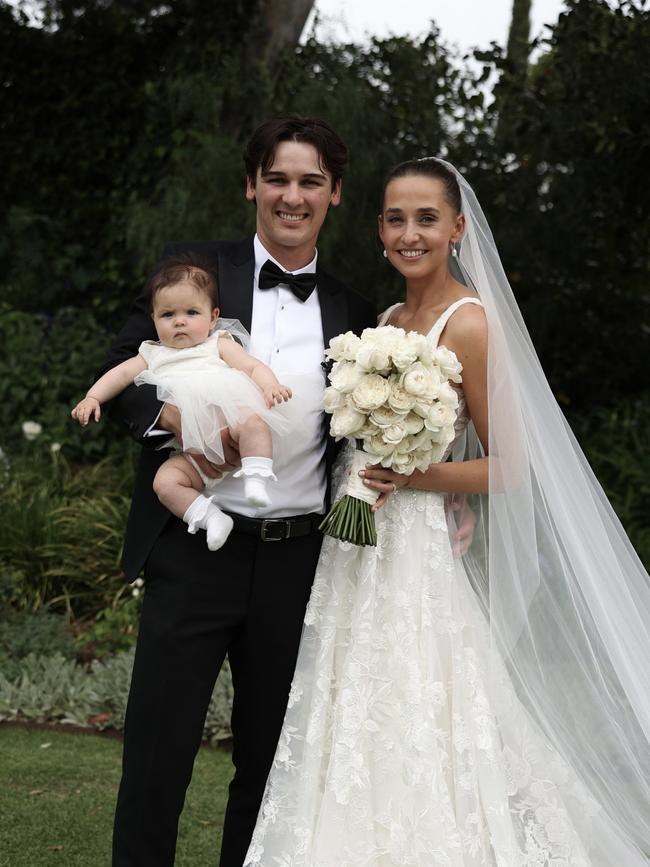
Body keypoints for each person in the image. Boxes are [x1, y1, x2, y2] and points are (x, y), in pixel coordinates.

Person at [244, 159, 650, 865]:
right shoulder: (387, 321)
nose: (410, 233)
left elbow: (511, 464)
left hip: (415, 551)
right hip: (356, 542)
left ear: (458, 227)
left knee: (416, 702)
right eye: (396, 218)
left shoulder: (470, 324)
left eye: (427, 218)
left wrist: (424, 476)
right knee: (352, 703)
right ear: (377, 229)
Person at [103, 115, 376, 867]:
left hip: (297, 560)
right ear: (252, 184)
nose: (293, 196)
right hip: (196, 545)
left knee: (269, 765)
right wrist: (176, 419)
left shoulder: (357, 311)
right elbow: (123, 368)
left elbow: (360, 437)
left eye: (311, 181)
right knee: (158, 756)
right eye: (278, 178)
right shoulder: (194, 274)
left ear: (336, 194)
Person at [72, 256, 294, 551]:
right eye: (167, 315)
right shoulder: (151, 353)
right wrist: (93, 396)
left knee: (253, 423)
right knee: (164, 483)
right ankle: (211, 518)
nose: (179, 321)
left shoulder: (218, 343)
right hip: (192, 450)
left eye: (191, 312)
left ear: (213, 316)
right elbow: (120, 374)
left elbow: (251, 367)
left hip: (230, 422)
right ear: (153, 319)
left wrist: (270, 386)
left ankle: (256, 478)